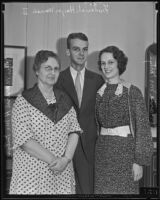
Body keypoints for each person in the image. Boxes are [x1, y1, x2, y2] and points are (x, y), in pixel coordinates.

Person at [9, 50, 82, 194]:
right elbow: (25, 141)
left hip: (61, 174)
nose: (52, 73)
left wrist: (66, 159)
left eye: (56, 69)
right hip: (32, 173)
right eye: (47, 68)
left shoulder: (65, 99)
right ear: (37, 70)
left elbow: (75, 131)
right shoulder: (23, 101)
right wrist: (56, 161)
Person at [94, 46, 154, 194]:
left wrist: (139, 161)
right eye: (103, 63)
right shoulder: (99, 92)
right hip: (103, 154)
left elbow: (143, 128)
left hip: (125, 155)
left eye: (110, 62)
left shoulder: (132, 92)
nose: (106, 67)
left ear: (119, 64)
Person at [55, 33, 104, 194]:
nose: (81, 53)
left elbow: (103, 115)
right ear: (68, 51)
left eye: (85, 49)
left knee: (87, 190)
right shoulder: (57, 79)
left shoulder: (98, 80)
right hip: (63, 147)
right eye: (76, 49)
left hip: (91, 147)